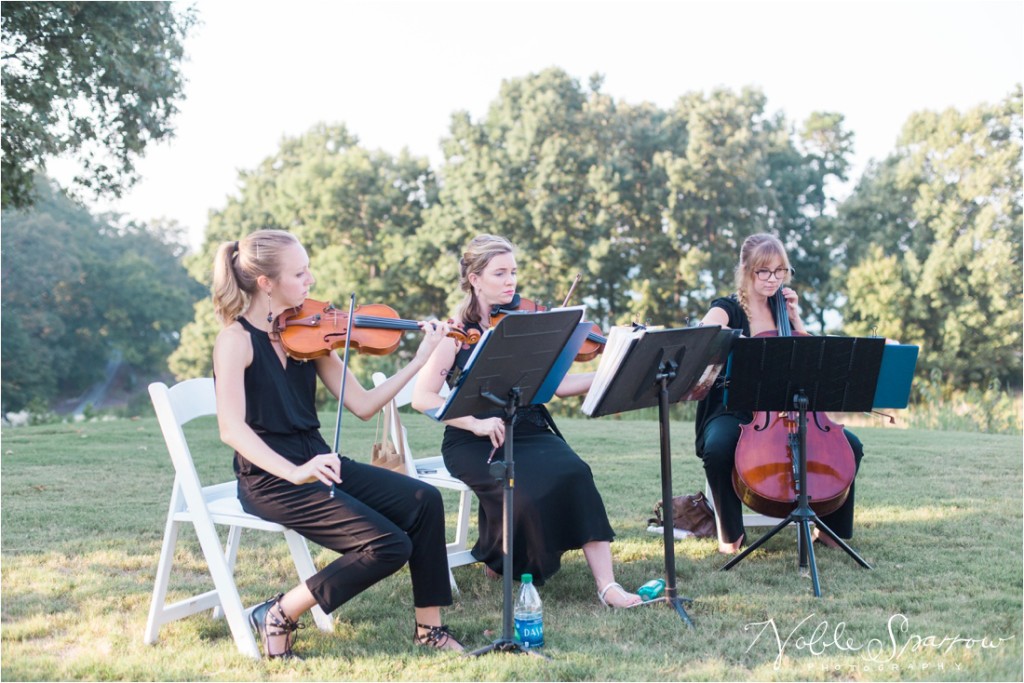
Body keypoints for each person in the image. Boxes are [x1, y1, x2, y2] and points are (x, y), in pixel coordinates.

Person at [211, 229, 464, 658]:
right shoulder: (234, 341)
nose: (310, 280)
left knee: (424, 499)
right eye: (300, 273)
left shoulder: (306, 335)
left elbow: (363, 404)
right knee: (388, 544)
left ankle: (430, 629)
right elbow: (231, 429)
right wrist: (293, 471)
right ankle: (279, 611)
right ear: (266, 283)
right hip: (271, 479)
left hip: (319, 462)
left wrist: (421, 359)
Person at [411, 234, 643, 609]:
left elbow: (558, 385)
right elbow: (424, 398)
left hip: (530, 427)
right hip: (473, 438)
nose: (510, 281)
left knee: (576, 472)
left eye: (513, 272)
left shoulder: (524, 326)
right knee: (523, 493)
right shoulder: (455, 334)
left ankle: (608, 586)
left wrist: (609, 373)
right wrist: (475, 424)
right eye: (500, 273)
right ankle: (500, 558)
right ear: (475, 279)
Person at [694, 232, 864, 554]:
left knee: (849, 446)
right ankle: (730, 536)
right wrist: (729, 342)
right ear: (746, 269)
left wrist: (796, 319)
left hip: (785, 408)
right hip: (735, 408)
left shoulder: (784, 308)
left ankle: (830, 531)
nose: (773, 280)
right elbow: (703, 338)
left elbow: (815, 359)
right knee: (718, 448)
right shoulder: (728, 307)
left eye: (780, 271)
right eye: (764, 272)